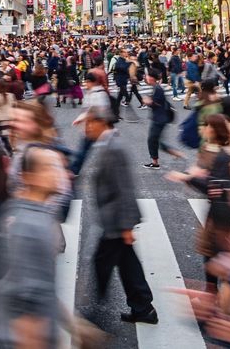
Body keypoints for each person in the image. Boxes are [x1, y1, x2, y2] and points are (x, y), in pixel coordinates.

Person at [83, 100, 157, 325]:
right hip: (114, 219)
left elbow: (125, 188)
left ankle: (96, 312)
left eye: (89, 124)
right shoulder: (108, 144)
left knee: (102, 263)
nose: (86, 129)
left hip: (116, 221)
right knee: (126, 264)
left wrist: (126, 227)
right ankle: (143, 308)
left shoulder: (114, 148)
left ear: (100, 123)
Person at [0, 144, 72, 349]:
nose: (58, 173)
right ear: (28, 177)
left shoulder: (33, 213)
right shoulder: (30, 225)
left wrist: (72, 326)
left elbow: (40, 285)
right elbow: (25, 300)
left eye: (59, 166)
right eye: (49, 167)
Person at [142, 67, 181, 168]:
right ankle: (173, 153)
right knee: (156, 140)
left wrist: (148, 101)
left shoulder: (157, 88)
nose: (145, 77)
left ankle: (155, 162)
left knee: (152, 140)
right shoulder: (156, 87)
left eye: (147, 76)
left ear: (151, 78)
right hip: (159, 118)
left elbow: (157, 104)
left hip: (159, 119)